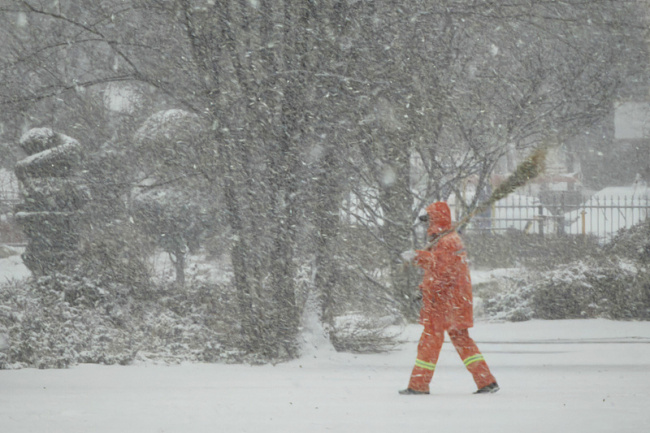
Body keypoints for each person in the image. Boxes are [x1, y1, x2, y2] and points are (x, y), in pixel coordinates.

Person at [400, 201, 499, 395]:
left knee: (430, 341)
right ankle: (486, 381)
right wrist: (423, 289)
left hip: (444, 303)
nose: (426, 225)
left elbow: (441, 270)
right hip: (453, 301)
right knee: (462, 341)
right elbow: (441, 272)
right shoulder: (447, 240)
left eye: (428, 221)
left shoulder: (447, 241)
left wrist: (417, 256)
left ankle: (418, 385)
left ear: (436, 220)